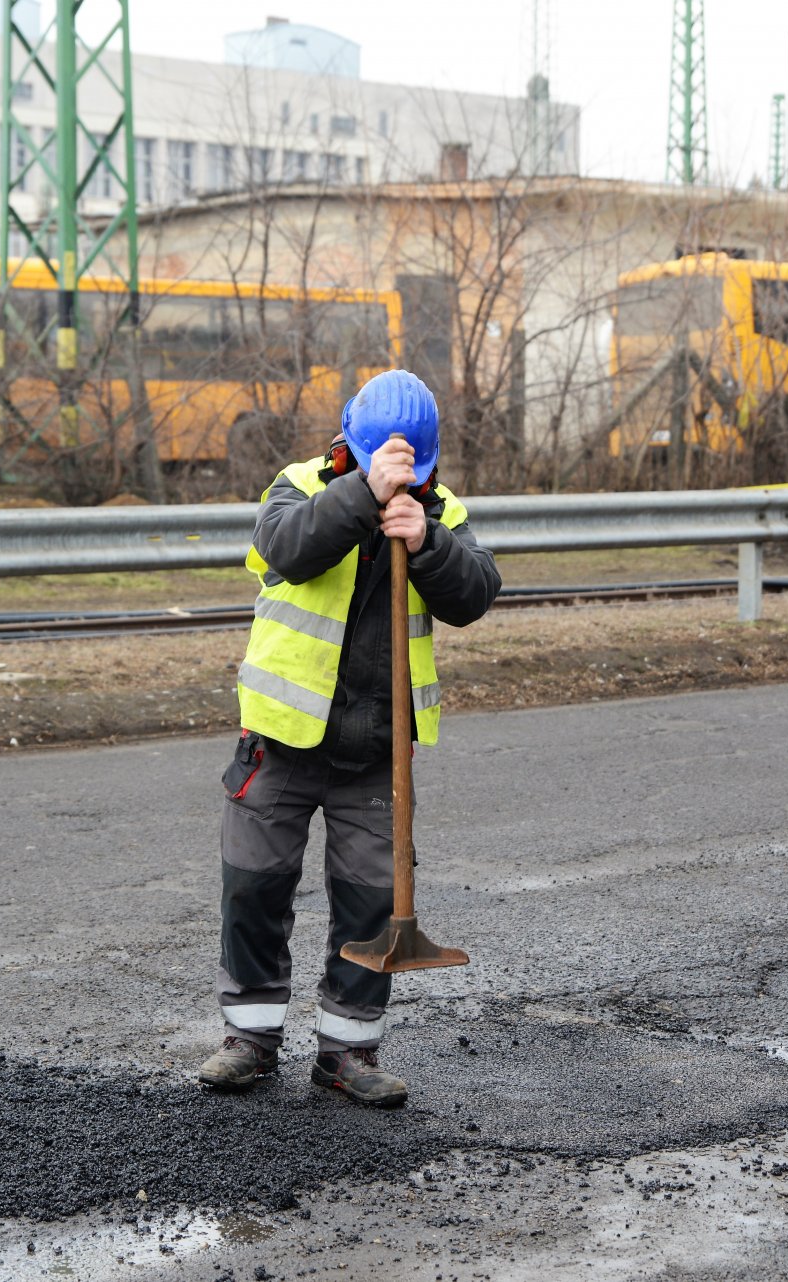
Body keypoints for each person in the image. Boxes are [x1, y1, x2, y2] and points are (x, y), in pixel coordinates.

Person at [198, 369, 501, 1108]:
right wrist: (363, 494)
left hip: (377, 748)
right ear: (352, 443)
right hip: (281, 739)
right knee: (255, 887)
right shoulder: (300, 485)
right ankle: (250, 1040)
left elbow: (475, 595)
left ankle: (348, 1050)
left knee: (372, 900)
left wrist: (428, 542)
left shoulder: (441, 510)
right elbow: (286, 549)